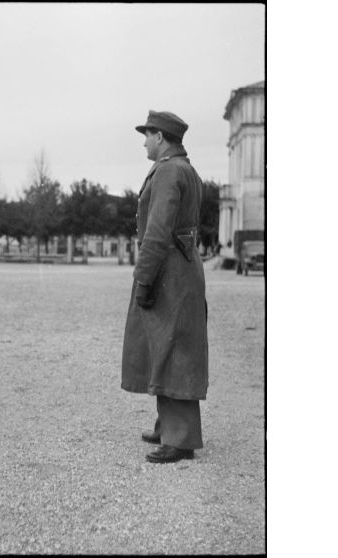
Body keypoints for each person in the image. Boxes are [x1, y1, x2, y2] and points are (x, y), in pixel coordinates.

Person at [121, 110, 209, 464]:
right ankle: (167, 424)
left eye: (147, 134)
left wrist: (144, 278)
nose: (144, 141)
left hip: (169, 271)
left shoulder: (170, 171)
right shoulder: (186, 169)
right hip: (181, 268)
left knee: (173, 350)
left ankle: (181, 439)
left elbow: (157, 233)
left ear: (161, 137)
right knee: (166, 346)